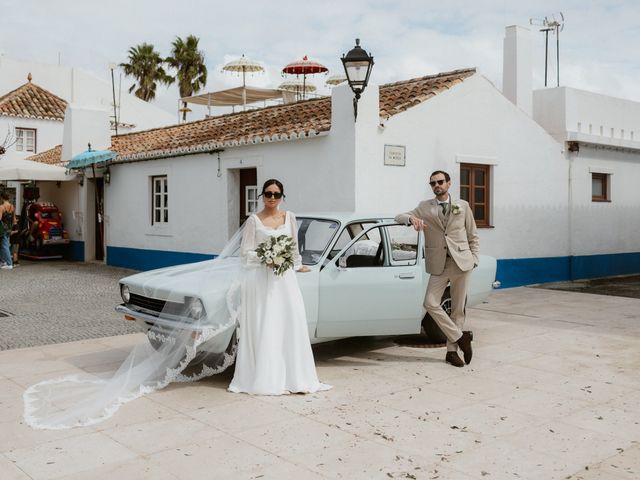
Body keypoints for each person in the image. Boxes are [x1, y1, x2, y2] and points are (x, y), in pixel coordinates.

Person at [229, 179, 331, 395]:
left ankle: (294, 377)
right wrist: (267, 257)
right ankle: (266, 378)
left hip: (285, 280)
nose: (272, 198)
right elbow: (245, 253)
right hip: (261, 280)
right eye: (268, 194)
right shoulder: (253, 221)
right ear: (262, 195)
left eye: (276, 194)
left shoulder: (289, 217)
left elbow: (294, 249)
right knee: (266, 323)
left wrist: (298, 265)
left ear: (282, 196)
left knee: (290, 321)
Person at [395, 170, 479, 368]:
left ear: (449, 184)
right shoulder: (425, 207)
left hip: (462, 262)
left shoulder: (463, 205)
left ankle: (452, 352)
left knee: (458, 310)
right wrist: (411, 220)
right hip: (439, 264)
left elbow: (472, 234)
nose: (436, 186)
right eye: (433, 183)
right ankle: (460, 337)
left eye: (440, 182)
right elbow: (399, 216)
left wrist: (474, 258)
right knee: (430, 303)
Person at [0, 191, 16, 270]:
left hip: (2, 229)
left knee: (4, 246)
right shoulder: (12, 207)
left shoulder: (1, 207)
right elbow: (14, 220)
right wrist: (12, 229)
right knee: (4, 245)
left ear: (1, 198)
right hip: (9, 228)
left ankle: (9, 263)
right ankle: (4, 262)